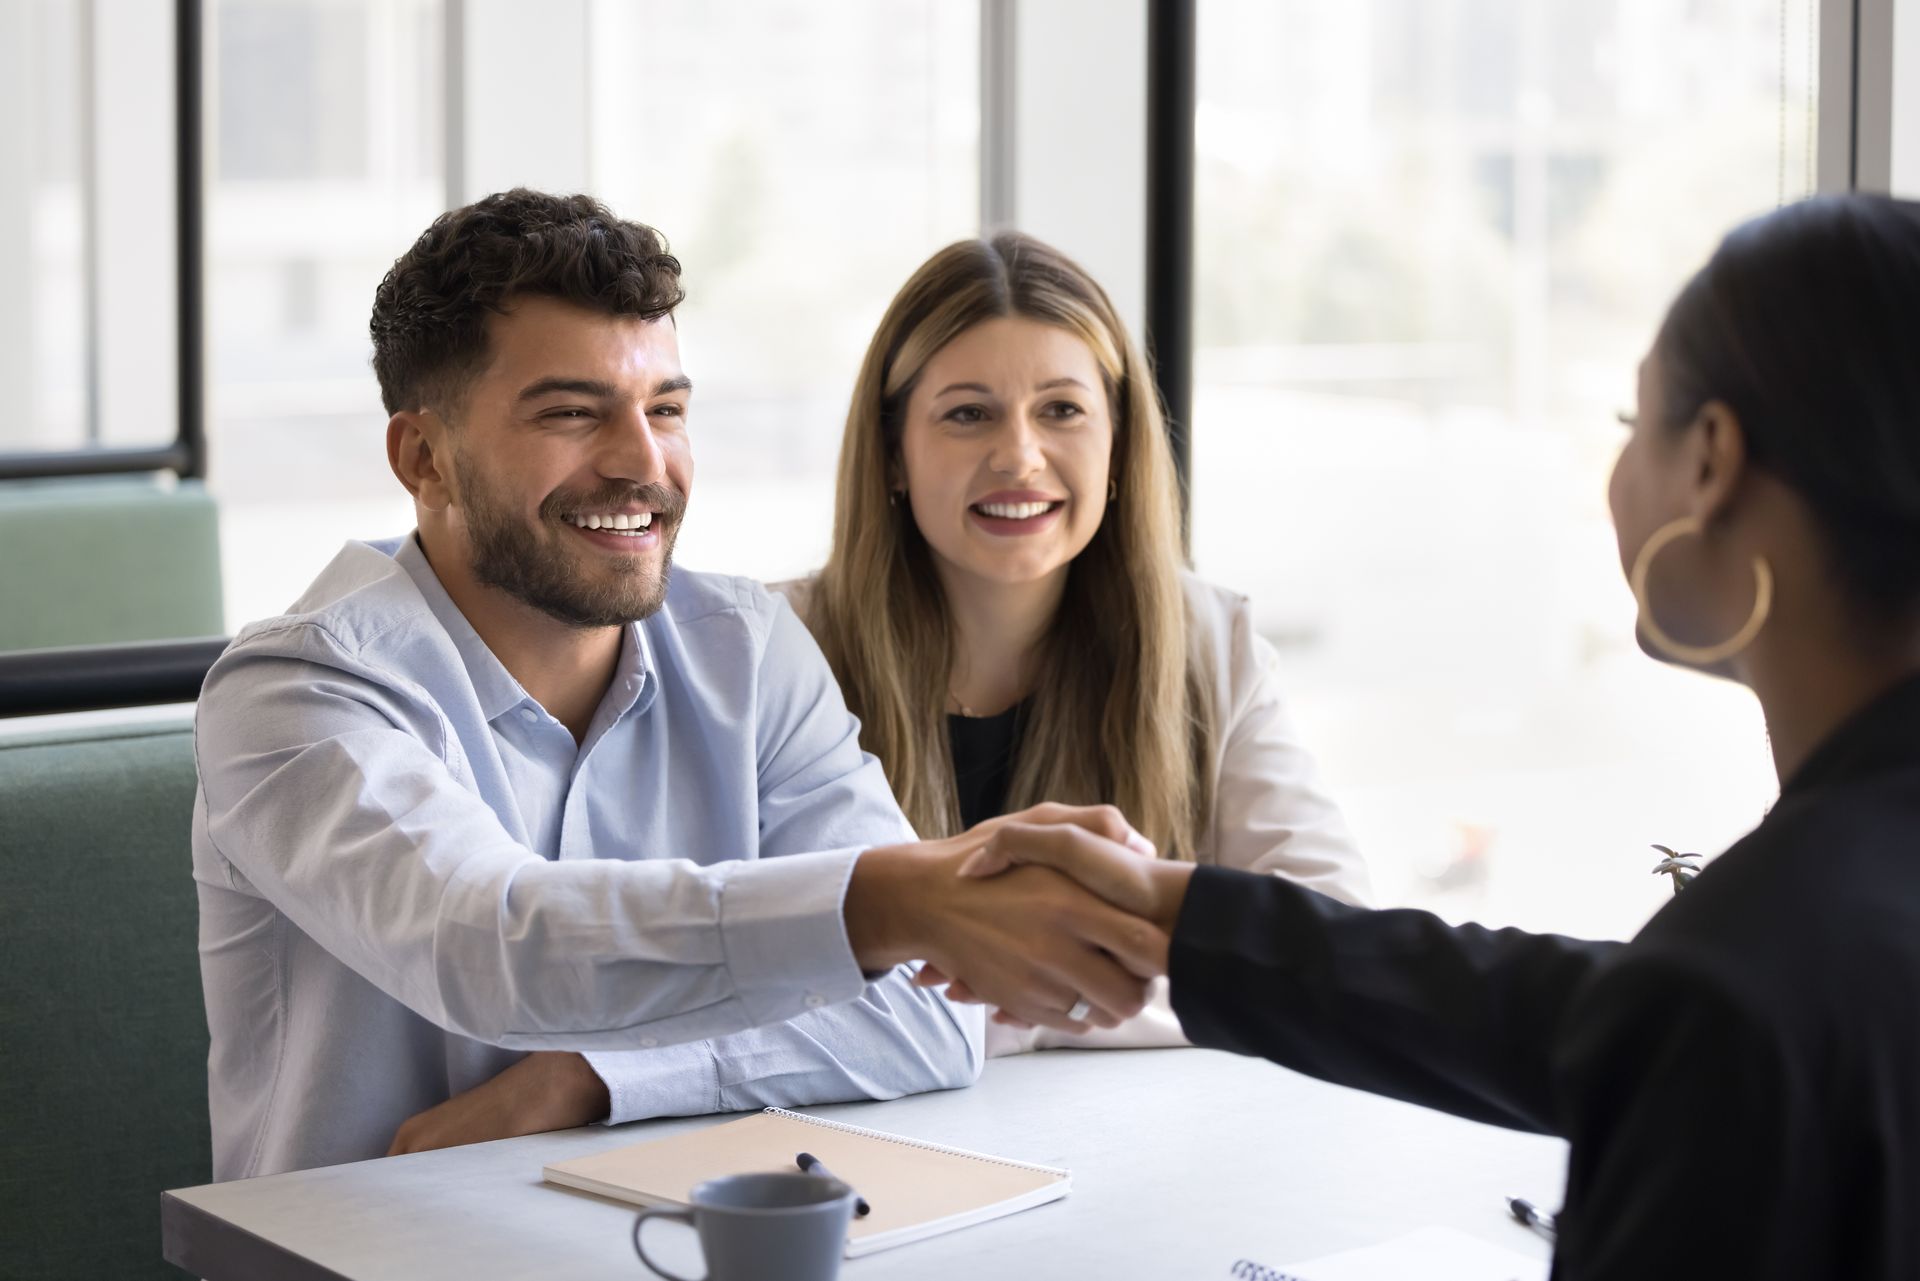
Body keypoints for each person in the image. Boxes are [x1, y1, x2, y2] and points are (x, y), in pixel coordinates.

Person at [946, 195, 1920, 1279]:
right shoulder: (1826, 925)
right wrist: (1181, 916)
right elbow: (1599, 1015)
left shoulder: (1751, 976)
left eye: (1628, 425)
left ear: (1712, 463)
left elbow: (1684, 1020)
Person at [191, 190, 1165, 1179]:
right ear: (425, 458)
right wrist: (891, 902)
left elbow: (923, 1023)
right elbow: (486, 942)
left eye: (665, 409)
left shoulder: (749, 649)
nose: (641, 462)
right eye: (571, 413)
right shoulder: (295, 693)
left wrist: (598, 1079)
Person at [778, 232, 1370, 1053]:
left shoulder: (1212, 644)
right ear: (893, 454)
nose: (1019, 455)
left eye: (1061, 410)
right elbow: (725, 977)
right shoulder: (777, 652)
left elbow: (1332, 947)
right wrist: (1117, 978)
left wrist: (984, 1003)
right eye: (967, 413)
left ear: (1119, 444)